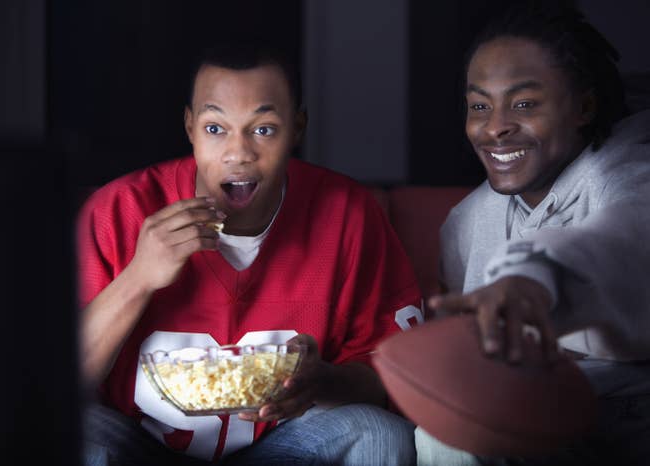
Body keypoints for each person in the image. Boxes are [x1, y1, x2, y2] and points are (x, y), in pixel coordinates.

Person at [76, 42, 422, 465]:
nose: (238, 153)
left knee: (379, 435)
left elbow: (394, 379)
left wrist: (324, 381)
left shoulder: (347, 213)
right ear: (189, 128)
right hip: (142, 446)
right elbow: (56, 388)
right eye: (215, 129)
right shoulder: (118, 210)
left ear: (297, 128)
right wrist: (139, 278)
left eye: (263, 129)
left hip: (285, 446)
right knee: (81, 438)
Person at [416, 1, 650, 465]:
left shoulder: (627, 176)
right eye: (480, 106)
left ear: (583, 106)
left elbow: (623, 237)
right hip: (534, 413)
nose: (496, 127)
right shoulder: (467, 221)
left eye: (524, 103)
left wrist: (532, 278)